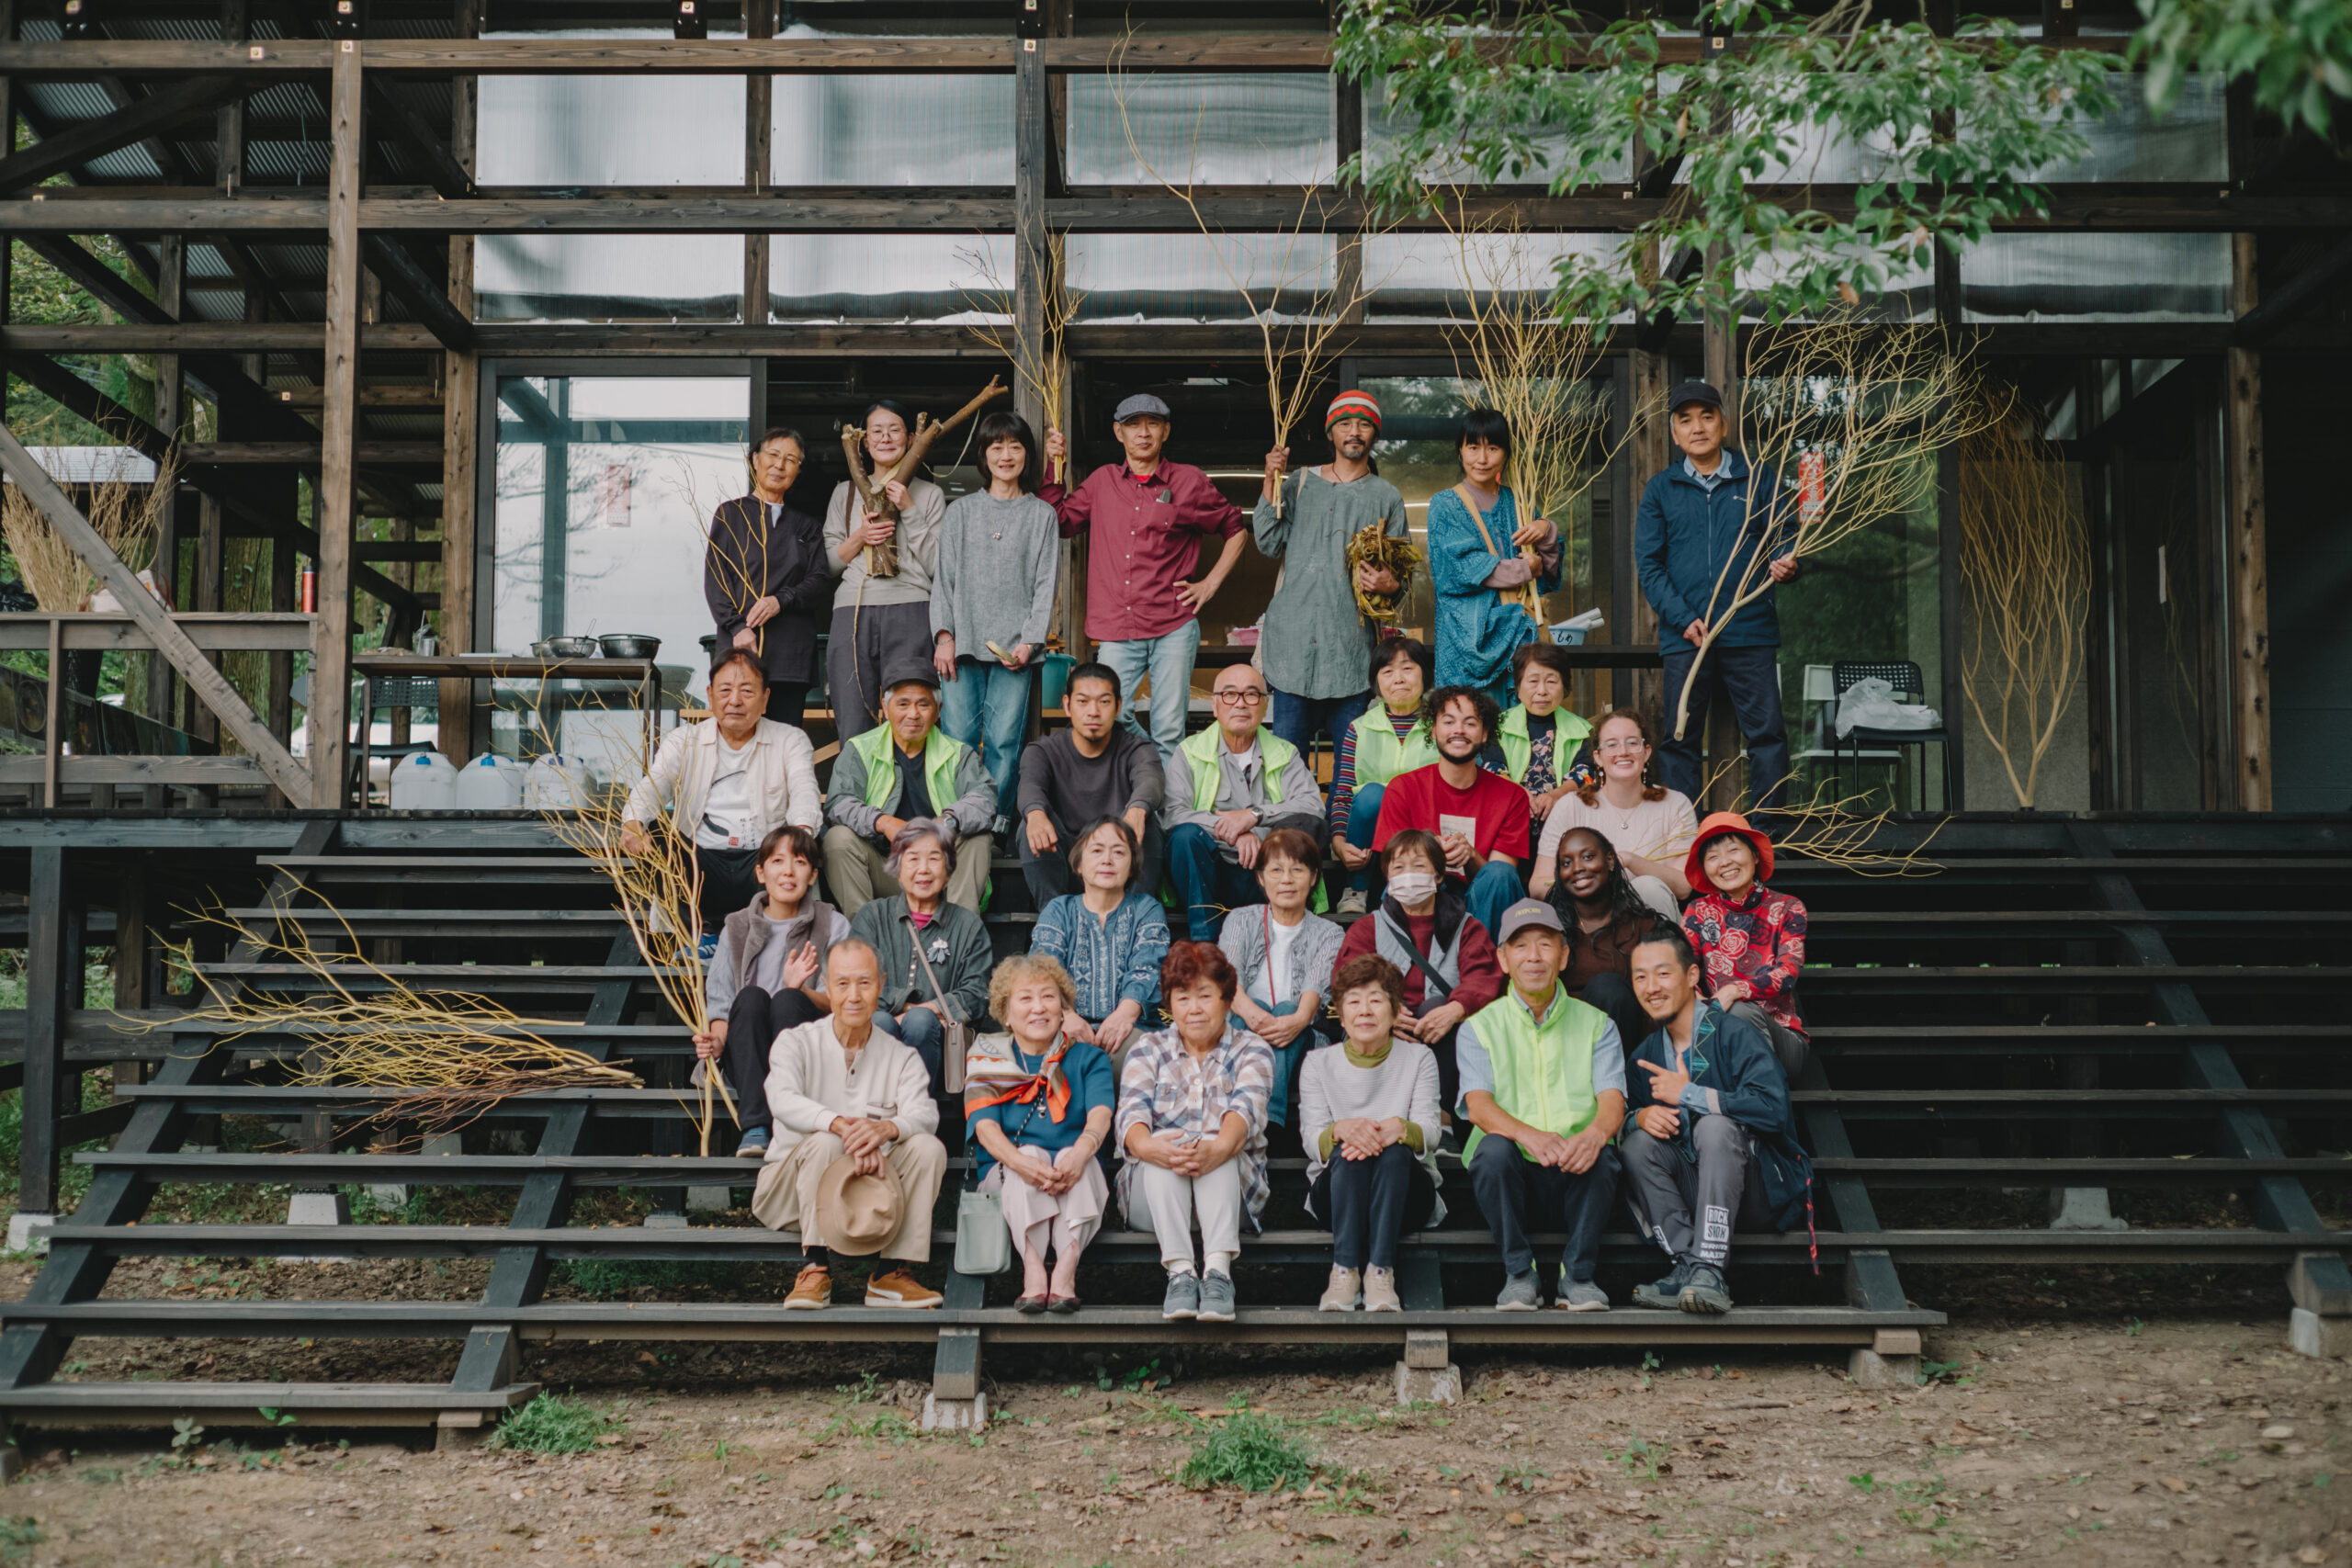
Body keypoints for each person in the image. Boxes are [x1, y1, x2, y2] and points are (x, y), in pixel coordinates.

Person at [1042, 395, 1250, 762]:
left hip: (1173, 624)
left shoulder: (1189, 481)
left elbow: (1236, 529)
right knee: (1111, 715)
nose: (1143, 433)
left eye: (1152, 424)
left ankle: (1165, 797)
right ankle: (1151, 765)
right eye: (1133, 425)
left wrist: (1210, 584)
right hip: (1117, 626)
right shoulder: (1102, 482)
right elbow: (1057, 521)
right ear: (1118, 432)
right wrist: (1053, 466)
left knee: (1169, 728)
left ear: (1165, 431)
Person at [1623, 926, 1814, 1314]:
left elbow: (1774, 1111)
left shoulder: (1736, 1033)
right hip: (1695, 1188)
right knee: (1637, 1142)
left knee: (1714, 1126)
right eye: (1640, 977)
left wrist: (1690, 1094)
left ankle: (1709, 1268)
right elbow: (1631, 1124)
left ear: (1692, 975)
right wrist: (1640, 1117)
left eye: (1663, 973)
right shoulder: (1644, 1055)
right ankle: (1687, 1265)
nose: (1651, 987)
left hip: (1756, 1190)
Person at [752, 938, 947, 1311]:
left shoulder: (902, 1057)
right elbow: (782, 1099)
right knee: (825, 1141)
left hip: (870, 1188)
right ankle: (815, 1268)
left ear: (881, 985)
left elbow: (925, 1114)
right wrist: (840, 1125)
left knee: (928, 1147)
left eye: (865, 982)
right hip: (791, 1193)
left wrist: (886, 1130)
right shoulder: (795, 1042)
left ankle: (890, 1275)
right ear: (826, 986)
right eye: (842, 984)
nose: (854, 996)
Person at [1634, 379, 1798, 809]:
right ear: (1675, 434)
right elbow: (1649, 565)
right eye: (1686, 420)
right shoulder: (1661, 489)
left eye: (1707, 417)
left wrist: (1787, 562)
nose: (1698, 427)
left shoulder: (1759, 479)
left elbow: (1787, 535)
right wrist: (1682, 618)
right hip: (1687, 635)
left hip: (1749, 628)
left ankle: (1768, 831)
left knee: (1767, 735)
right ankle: (1684, 833)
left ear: (1724, 426)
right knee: (1680, 738)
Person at [1458, 899, 1626, 1312]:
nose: (1533, 956)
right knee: (1492, 1151)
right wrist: (1529, 1137)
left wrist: (1593, 1135)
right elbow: (1478, 1106)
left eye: (1545, 944)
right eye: (1520, 946)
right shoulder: (1479, 1027)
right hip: (1513, 1176)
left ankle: (1578, 1276)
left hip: (1575, 1169)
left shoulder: (1598, 1024)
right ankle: (1520, 1274)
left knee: (1603, 1154)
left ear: (1564, 956)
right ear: (1503, 959)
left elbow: (1612, 1099)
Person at [1114, 941, 1274, 1324]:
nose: (1194, 1008)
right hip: (1154, 1199)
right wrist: (1152, 1148)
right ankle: (1181, 1274)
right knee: (1162, 1147)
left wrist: (1215, 1148)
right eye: (1182, 998)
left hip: (1232, 1197)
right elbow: (1131, 1117)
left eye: (1205, 996)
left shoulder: (1253, 1049)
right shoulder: (1148, 1048)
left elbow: (1244, 1113)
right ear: (1170, 1004)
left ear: (1227, 999)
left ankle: (1218, 1272)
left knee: (1219, 1146)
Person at [1252, 389, 1411, 761]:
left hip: (1350, 654)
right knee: (1287, 768)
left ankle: (1341, 807)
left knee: (1350, 772)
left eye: (1363, 424)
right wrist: (1269, 481)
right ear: (1331, 432)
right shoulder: (1298, 483)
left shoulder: (1387, 496)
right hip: (1292, 651)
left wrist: (1390, 585)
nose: (1354, 431)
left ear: (1374, 433)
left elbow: (1400, 579)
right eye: (1345, 424)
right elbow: (1268, 543)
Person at [623, 649, 820, 935]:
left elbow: (805, 791)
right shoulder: (684, 740)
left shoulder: (790, 739)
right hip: (698, 865)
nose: (735, 700)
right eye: (725, 690)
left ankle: (767, 932)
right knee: (657, 834)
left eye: (747, 691)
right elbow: (654, 785)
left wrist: (800, 836)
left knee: (801, 840)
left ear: (765, 699)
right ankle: (696, 935)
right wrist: (633, 822)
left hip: (762, 865)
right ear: (710, 695)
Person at [964, 953, 1119, 1313]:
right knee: (1029, 1156)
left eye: (1048, 997)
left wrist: (1080, 1153)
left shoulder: (1089, 1058)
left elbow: (1100, 1115)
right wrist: (1022, 1163)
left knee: (1072, 1157)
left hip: (1076, 1173)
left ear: (1063, 1008)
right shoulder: (986, 1057)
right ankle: (1033, 1268)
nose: (1039, 1007)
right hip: (1008, 1173)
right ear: (1006, 1013)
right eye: (1025, 998)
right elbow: (985, 1128)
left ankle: (1065, 1268)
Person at [932, 411, 1058, 828]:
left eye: (1015, 446)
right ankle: (956, 822)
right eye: (996, 446)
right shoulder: (960, 511)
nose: (1006, 455)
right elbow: (944, 580)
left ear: (1027, 454)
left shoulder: (1042, 514)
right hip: (962, 646)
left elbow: (1045, 585)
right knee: (958, 741)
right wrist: (944, 636)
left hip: (1015, 651)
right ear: (984, 455)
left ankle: (995, 824)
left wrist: (1031, 641)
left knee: (1005, 742)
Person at [1298, 954, 1443, 1314]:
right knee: (1347, 1152)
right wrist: (1341, 1130)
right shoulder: (1318, 1063)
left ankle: (1380, 1273)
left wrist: (1398, 1129)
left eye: (1376, 1001)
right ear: (1341, 1014)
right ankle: (1345, 1272)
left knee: (1394, 1152)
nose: (1364, 1011)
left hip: (1406, 1195)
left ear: (1395, 1013)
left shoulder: (1419, 1058)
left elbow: (1431, 1132)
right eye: (1353, 1002)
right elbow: (1312, 1140)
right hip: (1337, 1196)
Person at [697, 824, 852, 1158]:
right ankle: (756, 1127)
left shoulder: (832, 924)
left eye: (800, 862)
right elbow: (722, 1004)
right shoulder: (736, 926)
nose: (788, 871)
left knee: (787, 1000)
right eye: (778, 861)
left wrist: (801, 990)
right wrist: (717, 1041)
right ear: (760, 872)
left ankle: (788, 1121)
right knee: (751, 998)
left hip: (809, 1051)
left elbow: (843, 1004)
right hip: (748, 1051)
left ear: (813, 875)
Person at [1333, 829, 1506, 1117]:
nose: (1408, 875)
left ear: (1438, 876)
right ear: (1388, 877)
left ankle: (1442, 1118)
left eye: (1419, 866)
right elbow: (1349, 980)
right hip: (1386, 1033)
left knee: (1436, 1007)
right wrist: (1384, 1012)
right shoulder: (1368, 928)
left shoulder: (1467, 927)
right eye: (1399, 867)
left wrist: (1456, 1008)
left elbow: (1482, 976)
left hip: (1445, 1032)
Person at [1162, 662, 1326, 943]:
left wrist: (1254, 816)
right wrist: (1234, 831)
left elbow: (1313, 806)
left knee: (1307, 826)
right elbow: (1173, 814)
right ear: (1214, 705)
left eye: (1251, 695)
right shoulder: (1189, 752)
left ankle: (1281, 934)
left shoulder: (1284, 752)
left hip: (1267, 870)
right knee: (1184, 837)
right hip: (1209, 873)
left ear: (1264, 706)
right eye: (1229, 695)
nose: (1240, 703)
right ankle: (1205, 944)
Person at [821, 660, 996, 915]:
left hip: (941, 873)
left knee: (978, 838)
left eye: (923, 704)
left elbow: (984, 800)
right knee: (838, 839)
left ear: (938, 710)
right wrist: (884, 823)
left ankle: (959, 932)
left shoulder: (958, 753)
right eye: (903, 704)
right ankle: (865, 931)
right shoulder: (860, 749)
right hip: (886, 870)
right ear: (885, 707)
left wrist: (945, 823)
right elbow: (839, 803)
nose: (913, 714)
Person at [825, 400, 950, 739]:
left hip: (912, 609)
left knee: (913, 719)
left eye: (894, 430)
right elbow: (829, 563)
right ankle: (856, 778)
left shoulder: (929, 494)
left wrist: (908, 509)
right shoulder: (845, 493)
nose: (885, 438)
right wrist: (860, 536)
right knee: (853, 719)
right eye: (877, 431)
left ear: (911, 438)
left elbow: (939, 566)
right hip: (853, 610)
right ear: (863, 441)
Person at [1424, 409, 1560, 706]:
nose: (1482, 459)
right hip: (1465, 646)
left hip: (1519, 644)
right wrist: (1525, 568)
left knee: (1517, 726)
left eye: (1493, 448)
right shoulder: (1445, 505)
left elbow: (1548, 573)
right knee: (1467, 722)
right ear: (1460, 450)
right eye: (1473, 447)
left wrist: (1546, 529)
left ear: (1506, 453)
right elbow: (1461, 567)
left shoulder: (1519, 503)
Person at [1216, 828, 1345, 1140]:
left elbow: (1313, 994)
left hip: (1301, 1037)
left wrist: (1296, 1020)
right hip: (1242, 1028)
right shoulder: (1241, 920)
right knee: (1255, 1006)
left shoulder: (1330, 933)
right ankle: (1269, 1124)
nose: (1286, 879)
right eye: (1276, 870)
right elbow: (1228, 980)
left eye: (1297, 870)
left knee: (1288, 1008)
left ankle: (1259, 1122)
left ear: (1314, 878)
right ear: (1261, 878)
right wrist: (1255, 1016)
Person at [1372, 684, 1530, 938]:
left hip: (1483, 904)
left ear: (1484, 734)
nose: (1458, 730)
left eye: (1470, 723)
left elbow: (1500, 879)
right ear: (1433, 730)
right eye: (1448, 722)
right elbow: (1392, 867)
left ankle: (1481, 961)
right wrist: (1428, 852)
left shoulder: (1512, 796)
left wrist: (1470, 855)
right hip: (1425, 897)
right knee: (1405, 877)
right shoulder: (1403, 788)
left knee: (1500, 874)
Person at [847, 819, 994, 1091]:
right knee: (879, 1021)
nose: (923, 869)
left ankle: (915, 1109)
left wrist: (925, 1011)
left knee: (920, 1022)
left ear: (948, 870)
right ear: (897, 869)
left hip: (939, 1044)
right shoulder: (872, 917)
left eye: (934, 858)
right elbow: (857, 982)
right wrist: (905, 1009)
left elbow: (976, 993)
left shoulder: (969, 926)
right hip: (877, 1028)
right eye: (913, 858)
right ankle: (880, 1107)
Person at [705, 425, 832, 725]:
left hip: (790, 653)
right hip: (741, 648)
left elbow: (819, 581)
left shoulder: (806, 526)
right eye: (773, 455)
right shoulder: (731, 514)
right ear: (755, 459)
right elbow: (716, 579)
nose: (779, 465)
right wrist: (737, 628)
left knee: (785, 739)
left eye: (791, 460)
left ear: (798, 471)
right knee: (737, 737)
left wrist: (781, 600)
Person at [1016, 660, 1166, 909]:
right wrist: (1035, 813)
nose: (1093, 711)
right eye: (1083, 701)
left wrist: (1138, 809)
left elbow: (1150, 779)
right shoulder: (1043, 751)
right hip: (1066, 860)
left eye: (1104, 702)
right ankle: (1054, 917)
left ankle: (1134, 917)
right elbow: (1031, 786)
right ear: (1067, 705)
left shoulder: (1137, 749)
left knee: (1147, 822)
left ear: (1118, 706)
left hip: (1118, 861)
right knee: (1032, 822)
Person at [1030, 817, 1170, 1066]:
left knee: (1137, 1056)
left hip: (1131, 1028)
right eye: (1097, 851)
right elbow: (1042, 970)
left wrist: (1124, 1015)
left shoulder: (1146, 910)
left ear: (1132, 865)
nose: (1107, 860)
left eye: (1119, 852)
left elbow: (1148, 969)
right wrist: (1066, 1016)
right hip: (1066, 1025)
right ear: (1079, 864)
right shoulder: (1059, 910)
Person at [1531, 709, 1696, 920]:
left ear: (1646, 752)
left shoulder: (1675, 805)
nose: (1623, 751)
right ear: (1598, 757)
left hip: (1654, 926)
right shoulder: (1570, 806)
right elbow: (1538, 885)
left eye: (1632, 743)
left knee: (1648, 887)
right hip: (1588, 921)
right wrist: (1588, 885)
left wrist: (1629, 861)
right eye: (1611, 744)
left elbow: (1683, 886)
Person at [1680, 811, 1810, 1077]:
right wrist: (1698, 1000)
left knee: (1740, 1011)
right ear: (1704, 867)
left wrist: (1733, 991)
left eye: (1733, 850)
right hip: (1718, 1029)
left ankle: (1761, 1093)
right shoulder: (1697, 911)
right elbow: (1682, 968)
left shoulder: (1788, 907)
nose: (1725, 862)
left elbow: (1787, 975)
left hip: (1782, 1040)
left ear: (1755, 855)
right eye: (1713, 857)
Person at [1330, 635, 1437, 917]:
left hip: (1423, 830)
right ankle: (1356, 888)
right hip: (1371, 833)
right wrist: (1339, 842)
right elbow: (1343, 793)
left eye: (1408, 668)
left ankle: (1404, 884)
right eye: (1387, 671)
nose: (1398, 679)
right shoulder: (1359, 728)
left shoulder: (1441, 724)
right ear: (1377, 682)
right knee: (1372, 795)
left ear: (1425, 675)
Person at [1540, 826, 1665, 1055]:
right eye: (1566, 863)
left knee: (1608, 989)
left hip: (1628, 1050)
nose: (1577, 868)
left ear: (1610, 861)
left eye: (1588, 857)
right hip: (1563, 1048)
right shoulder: (1549, 930)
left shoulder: (1644, 927)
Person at [1492, 640, 1593, 827]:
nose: (1542, 691)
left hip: (1566, 821)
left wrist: (1556, 796)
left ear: (1565, 686)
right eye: (1533, 681)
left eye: (1551, 681)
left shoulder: (1582, 730)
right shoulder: (1498, 726)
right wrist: (1519, 794)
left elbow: (1585, 772)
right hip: (1509, 819)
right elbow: (1493, 768)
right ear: (1518, 686)